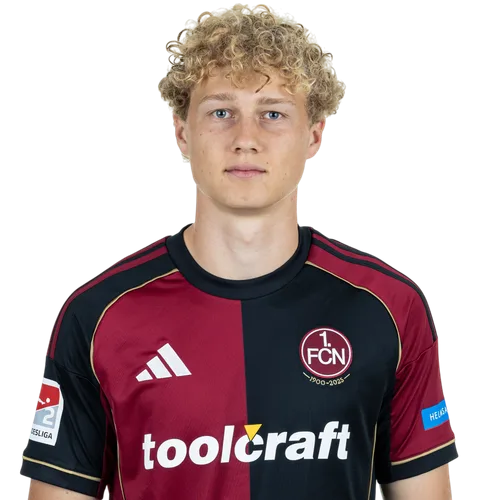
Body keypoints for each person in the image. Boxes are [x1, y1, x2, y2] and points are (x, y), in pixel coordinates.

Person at [20, 3, 458, 499]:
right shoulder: (98, 314)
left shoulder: (389, 306)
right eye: (221, 112)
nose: (245, 139)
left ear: (314, 135)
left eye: (272, 113)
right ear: (181, 132)